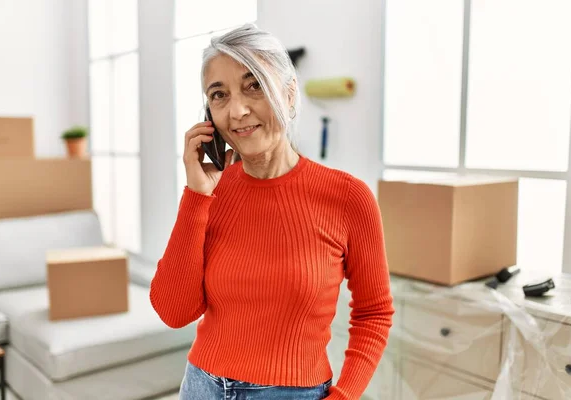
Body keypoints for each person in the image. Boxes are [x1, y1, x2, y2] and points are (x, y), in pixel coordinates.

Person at [150, 23, 394, 400]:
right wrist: (197, 195)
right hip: (201, 387)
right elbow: (173, 310)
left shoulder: (348, 198)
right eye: (219, 95)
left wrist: (345, 395)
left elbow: (373, 313)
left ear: (290, 94)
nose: (238, 110)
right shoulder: (210, 193)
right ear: (208, 113)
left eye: (254, 85)